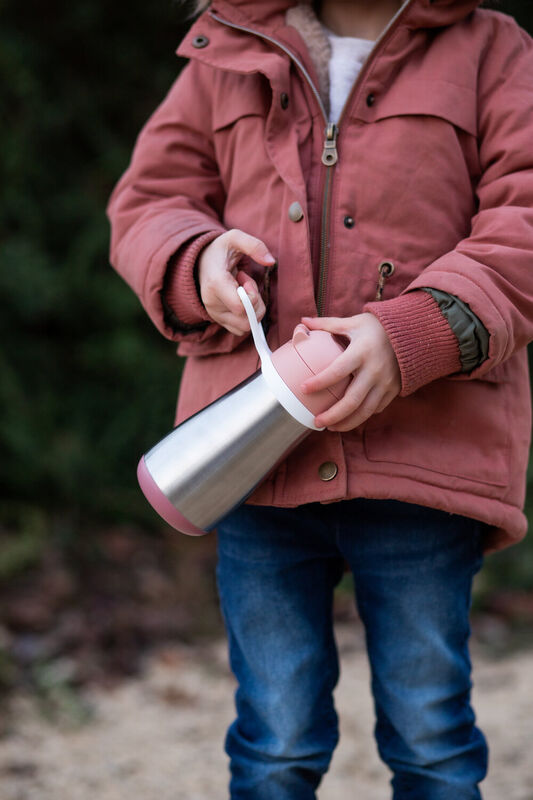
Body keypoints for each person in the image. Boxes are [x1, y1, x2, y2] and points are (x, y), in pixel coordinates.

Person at [107, 0, 533, 797]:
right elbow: (147, 201)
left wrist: (420, 331)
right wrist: (196, 262)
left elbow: (524, 219)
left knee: (430, 735)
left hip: (425, 459)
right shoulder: (222, 50)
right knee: (275, 741)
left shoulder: (494, 50)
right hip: (250, 464)